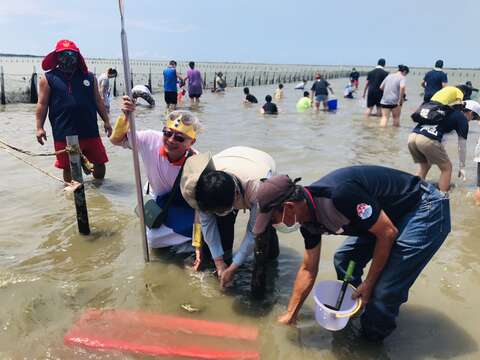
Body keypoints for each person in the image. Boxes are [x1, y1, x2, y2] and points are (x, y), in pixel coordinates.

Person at [252, 165, 451, 341]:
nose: (274, 224)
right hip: (387, 217)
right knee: (344, 259)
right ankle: (358, 308)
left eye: (273, 219)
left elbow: (387, 233)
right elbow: (308, 269)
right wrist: (290, 314)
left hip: (425, 207)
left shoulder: (340, 195)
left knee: (383, 291)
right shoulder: (308, 222)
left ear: (288, 207)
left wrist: (370, 283)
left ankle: (371, 340)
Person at [110, 97, 202, 255]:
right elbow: (115, 140)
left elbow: (199, 210)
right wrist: (125, 116)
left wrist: (197, 244)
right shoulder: (149, 139)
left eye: (179, 137)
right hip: (158, 196)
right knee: (153, 237)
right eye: (167, 133)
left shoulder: (197, 164)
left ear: (191, 143)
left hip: (185, 204)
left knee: (155, 239)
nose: (171, 140)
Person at [180, 147, 279, 289]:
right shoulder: (205, 188)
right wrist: (219, 262)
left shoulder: (259, 189)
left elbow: (253, 232)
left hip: (260, 166)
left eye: (221, 210)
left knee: (264, 243)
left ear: (237, 196)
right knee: (219, 244)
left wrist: (235, 266)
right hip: (228, 159)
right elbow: (207, 224)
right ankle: (223, 268)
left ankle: (265, 274)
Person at [35, 39, 111, 183]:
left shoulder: (89, 77)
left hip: (90, 130)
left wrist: (107, 121)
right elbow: (42, 104)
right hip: (64, 132)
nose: (68, 56)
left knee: (100, 163)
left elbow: (98, 100)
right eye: (63, 54)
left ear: (77, 56)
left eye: (71, 53)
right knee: (69, 169)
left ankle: (99, 195)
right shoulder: (48, 78)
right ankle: (72, 200)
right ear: (57, 56)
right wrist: (39, 127)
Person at [407, 91, 477, 193]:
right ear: (470, 112)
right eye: (474, 117)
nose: (471, 120)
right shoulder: (462, 119)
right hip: (427, 139)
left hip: (413, 137)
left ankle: (411, 192)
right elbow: (462, 147)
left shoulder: (445, 110)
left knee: (424, 166)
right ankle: (441, 199)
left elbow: (442, 136)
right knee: (447, 168)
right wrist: (462, 167)